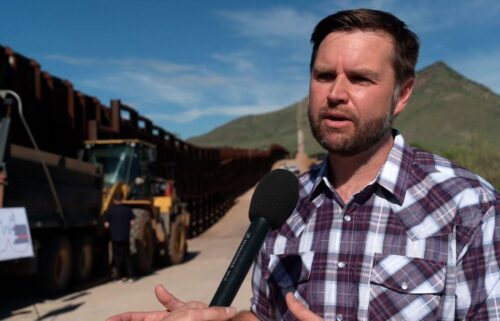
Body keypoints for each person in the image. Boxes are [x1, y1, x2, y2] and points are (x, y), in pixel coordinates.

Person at [106, 8, 500, 320]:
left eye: (361, 79)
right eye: (324, 75)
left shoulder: (468, 206)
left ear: (402, 94)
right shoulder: (281, 205)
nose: (336, 93)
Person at [104, 195, 136, 283]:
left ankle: (120, 277)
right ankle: (131, 276)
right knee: (127, 256)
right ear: (121, 200)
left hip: (114, 237)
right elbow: (133, 222)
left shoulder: (110, 211)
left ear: (114, 201)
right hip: (125, 237)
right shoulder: (127, 210)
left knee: (117, 257)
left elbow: (106, 225)